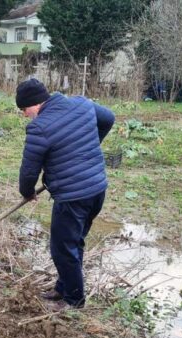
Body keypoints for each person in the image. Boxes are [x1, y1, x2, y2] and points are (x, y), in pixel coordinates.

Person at [16, 78, 114, 309]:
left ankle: (74, 301)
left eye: (23, 110)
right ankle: (64, 288)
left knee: (62, 249)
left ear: (34, 104)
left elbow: (29, 171)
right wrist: (89, 146)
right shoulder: (81, 104)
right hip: (97, 190)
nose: (24, 115)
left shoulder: (39, 128)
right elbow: (108, 118)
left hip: (73, 196)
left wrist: (27, 193)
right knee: (74, 242)